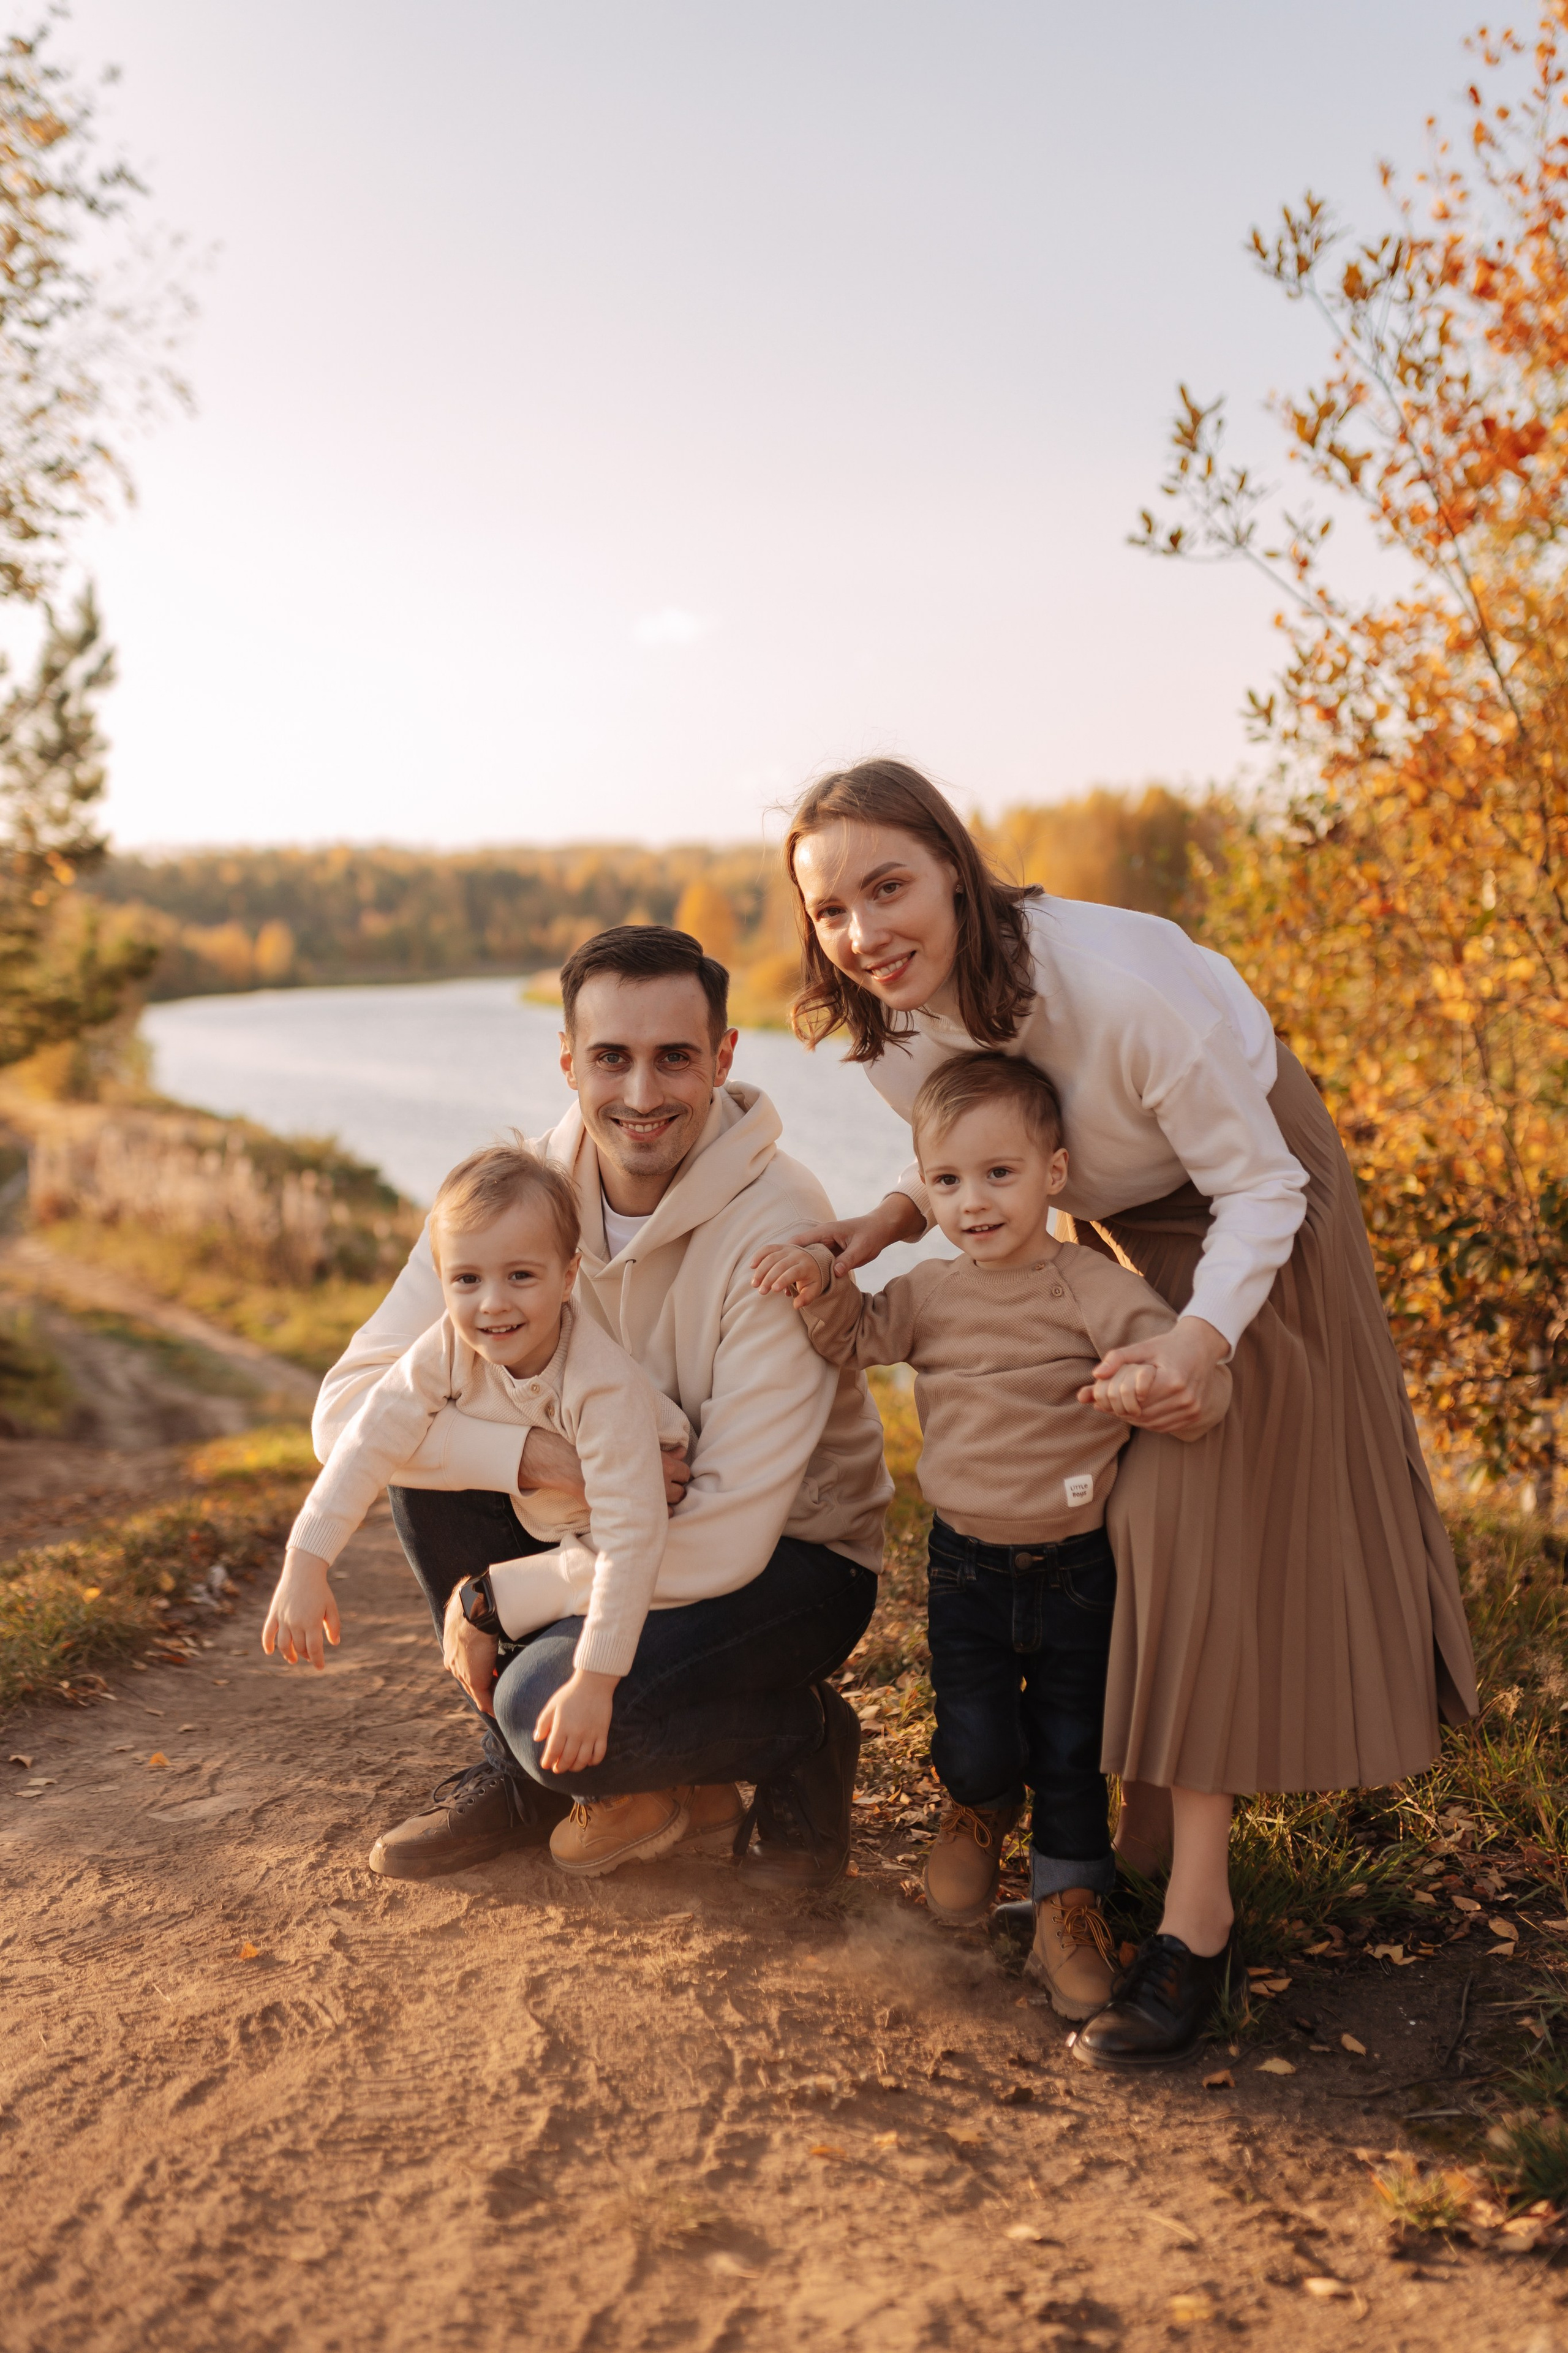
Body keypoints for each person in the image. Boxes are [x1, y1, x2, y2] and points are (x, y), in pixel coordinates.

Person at [768, 757, 1478, 2069]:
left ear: (956, 869)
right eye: (829, 911)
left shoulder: (1126, 992)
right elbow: (982, 1149)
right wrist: (886, 1216)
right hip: (1094, 1236)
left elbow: (1261, 1186)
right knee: (1101, 1522)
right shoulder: (893, 1018)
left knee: (1167, 1522)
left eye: (888, 887)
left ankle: (1195, 1922)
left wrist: (1206, 1340)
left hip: (1252, 1207)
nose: (863, 934)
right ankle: (1114, 1828)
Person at [314, 923, 892, 1893]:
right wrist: (536, 1457)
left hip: (789, 1564)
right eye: (611, 1059)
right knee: (422, 1440)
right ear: (568, 1059)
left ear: (723, 1057)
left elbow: (731, 1536)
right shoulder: (510, 1202)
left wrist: (511, 1598)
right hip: (609, 1521)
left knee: (547, 1694)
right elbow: (344, 1415)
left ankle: (803, 1734)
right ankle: (532, 1777)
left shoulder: (777, 1222)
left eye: (674, 1059)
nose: (641, 1094)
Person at [755, 1049, 1230, 2018]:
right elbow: (858, 1337)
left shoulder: (1088, 1287)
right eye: (948, 1180)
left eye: (1000, 1174)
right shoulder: (931, 1294)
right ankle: (975, 1801)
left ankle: (1068, 1904)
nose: (974, 1201)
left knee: (1070, 1745)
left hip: (1076, 1569)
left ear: (1054, 1174)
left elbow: (1174, 1352)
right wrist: (820, 1276)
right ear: (923, 1191)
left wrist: (1152, 1381)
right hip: (966, 1564)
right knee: (975, 1732)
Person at [263, 1136, 726, 1879]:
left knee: (595, 1629)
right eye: (468, 1279)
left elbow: (633, 1541)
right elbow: (367, 1439)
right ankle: (524, 1771)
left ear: (569, 1275)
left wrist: (594, 1682)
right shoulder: (445, 1345)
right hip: (564, 1525)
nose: (493, 1304)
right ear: (441, 1281)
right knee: (413, 1455)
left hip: (651, 1534)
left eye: (521, 1276)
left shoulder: (600, 1387)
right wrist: (306, 1559)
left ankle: (618, 1769)